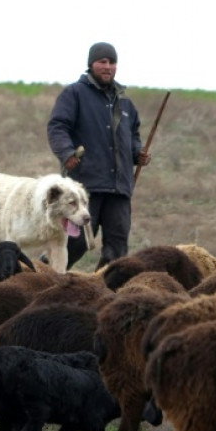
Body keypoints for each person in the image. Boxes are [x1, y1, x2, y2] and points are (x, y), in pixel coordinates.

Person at [47, 41, 151, 271]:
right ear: (91, 64)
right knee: (76, 244)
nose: (108, 67)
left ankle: (106, 294)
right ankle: (40, 277)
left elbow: (132, 135)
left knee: (117, 250)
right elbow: (57, 127)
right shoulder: (74, 94)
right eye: (102, 62)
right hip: (85, 188)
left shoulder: (126, 104)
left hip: (119, 188)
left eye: (112, 62)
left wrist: (138, 153)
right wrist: (66, 153)